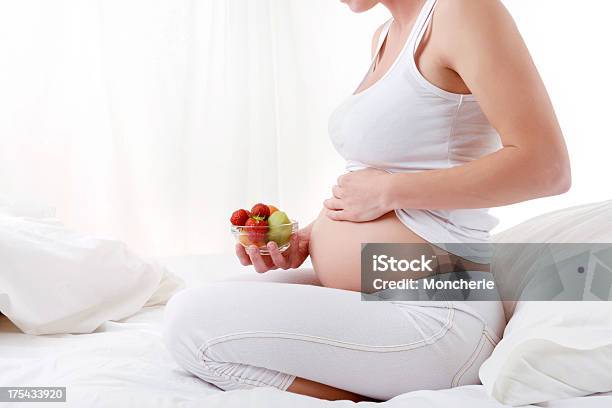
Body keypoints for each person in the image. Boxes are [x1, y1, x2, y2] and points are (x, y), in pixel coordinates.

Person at [164, 0, 570, 401]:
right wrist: (309, 239)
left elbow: (546, 167)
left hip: (438, 311)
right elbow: (375, 177)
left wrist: (389, 192)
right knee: (200, 303)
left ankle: (362, 396)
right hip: (380, 292)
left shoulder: (463, 11)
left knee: (191, 320)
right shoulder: (386, 35)